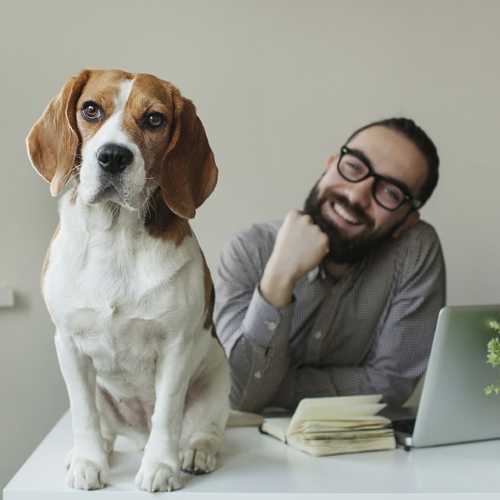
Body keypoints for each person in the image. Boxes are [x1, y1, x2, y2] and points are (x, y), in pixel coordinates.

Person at [215, 118, 446, 413]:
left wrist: (270, 388)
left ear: (407, 220)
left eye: (390, 192)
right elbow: (242, 395)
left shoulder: (414, 252)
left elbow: (391, 385)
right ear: (331, 164)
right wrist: (279, 276)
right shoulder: (249, 251)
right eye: (354, 167)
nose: (356, 194)